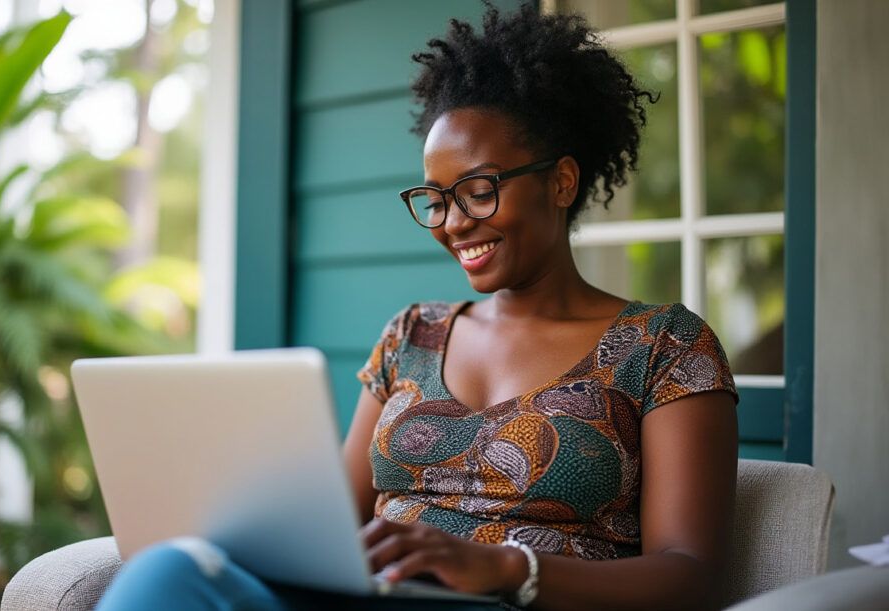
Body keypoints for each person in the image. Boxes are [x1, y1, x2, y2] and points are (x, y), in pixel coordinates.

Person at [95, 3, 739, 610]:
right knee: (170, 569)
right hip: (382, 597)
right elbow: (332, 527)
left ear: (562, 181)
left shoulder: (664, 346)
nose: (453, 223)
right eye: (436, 200)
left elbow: (693, 576)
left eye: (478, 191)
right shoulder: (412, 334)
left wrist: (507, 568)